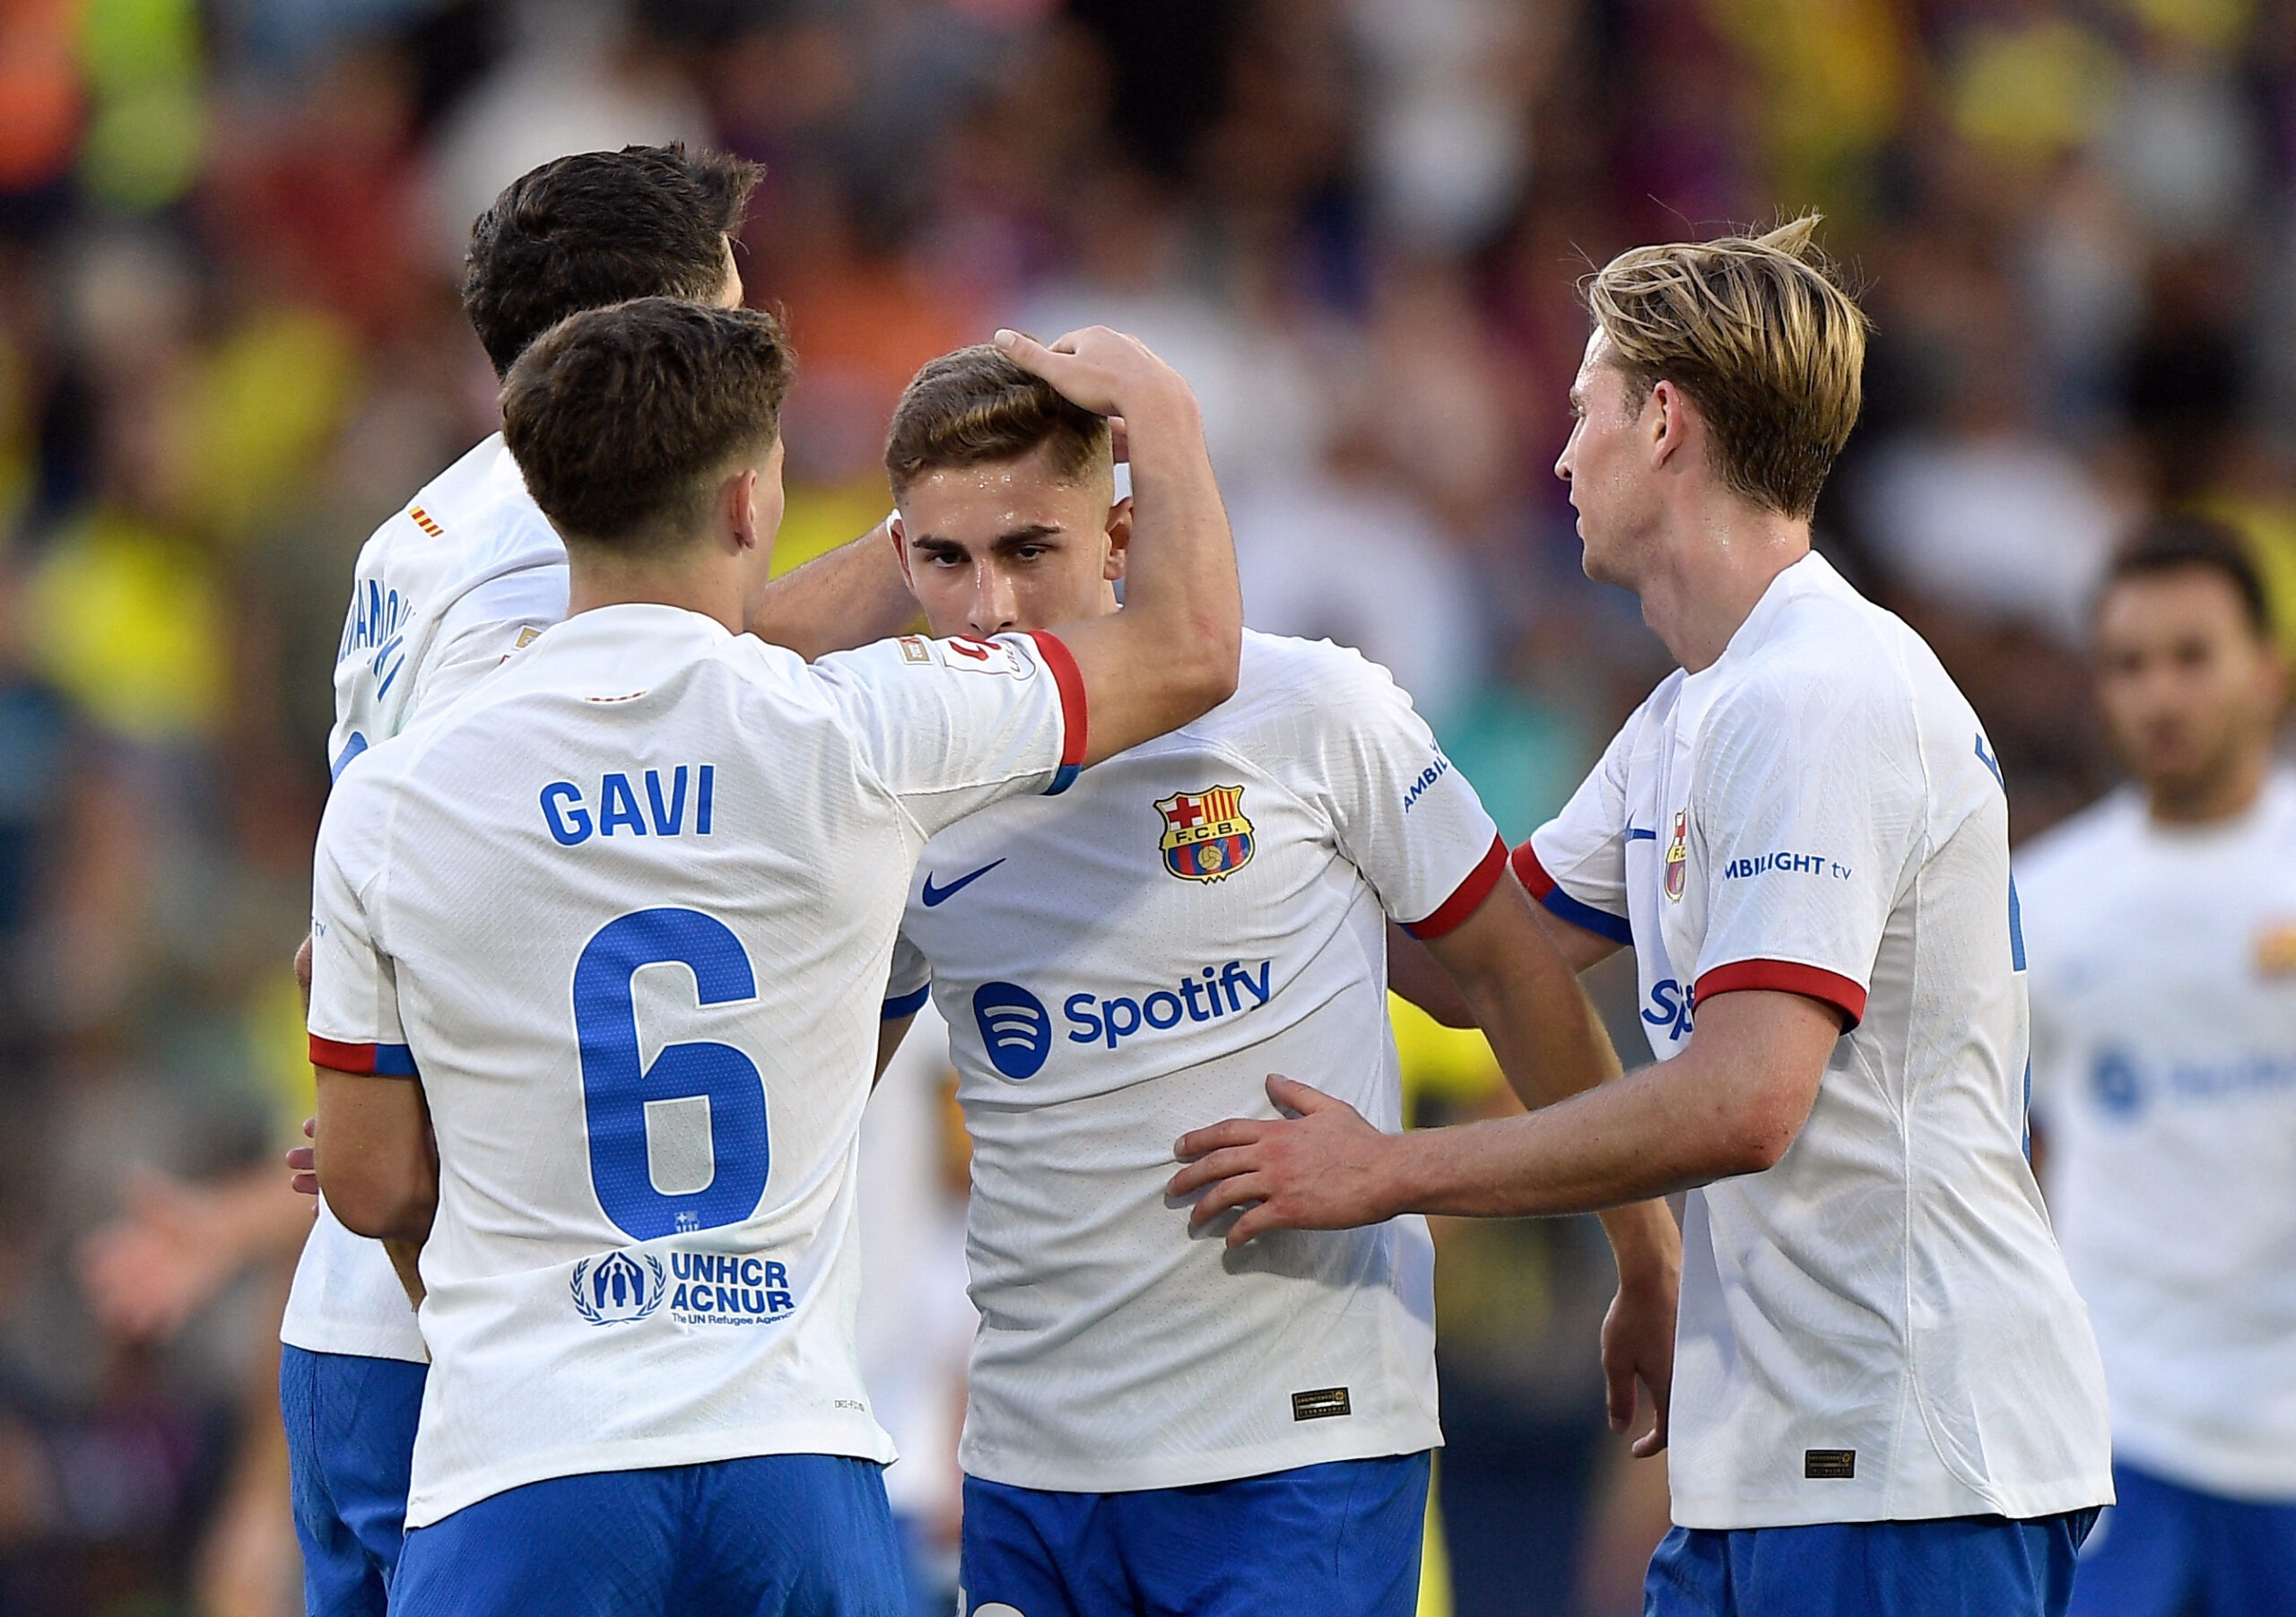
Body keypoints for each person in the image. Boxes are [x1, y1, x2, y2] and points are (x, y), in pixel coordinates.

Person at [1169, 217, 2116, 1617]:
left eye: (1583, 411)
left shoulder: (1818, 693)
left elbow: (1745, 1100)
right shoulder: (1696, 704)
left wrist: (1393, 1170)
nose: (1561, 456)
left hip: (1910, 1454)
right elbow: (1471, 956)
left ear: (1663, 420)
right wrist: (1227, 835)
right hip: (1785, 1454)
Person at [308, 300, 1243, 1615]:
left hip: (524, 1459)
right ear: (751, 503)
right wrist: (1162, 411)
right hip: (793, 1464)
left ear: (550, 501)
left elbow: (369, 1181)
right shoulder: (859, 729)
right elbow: (1190, 649)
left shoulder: (397, 798)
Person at [868, 346, 1680, 1617]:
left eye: (1031, 550)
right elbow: (826, 1085)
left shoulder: (1310, 709)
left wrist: (1650, 1253)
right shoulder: (897, 781)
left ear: (1123, 531)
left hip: (1300, 1441)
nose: (991, 610)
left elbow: (1514, 983)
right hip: (1032, 1462)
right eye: (946, 560)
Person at [283, 143, 918, 1617]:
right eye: (734, 304)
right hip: (478, 1343)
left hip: (409, 1315)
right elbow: (541, 804)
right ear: (661, 337)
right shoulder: (525, 567)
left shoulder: (436, 518)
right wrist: (920, 545)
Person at [2018, 516, 2296, 1617]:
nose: (2160, 695)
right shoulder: (2038, 904)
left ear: (2269, 673)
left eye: (2193, 657)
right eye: (2129, 665)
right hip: (2120, 1438)